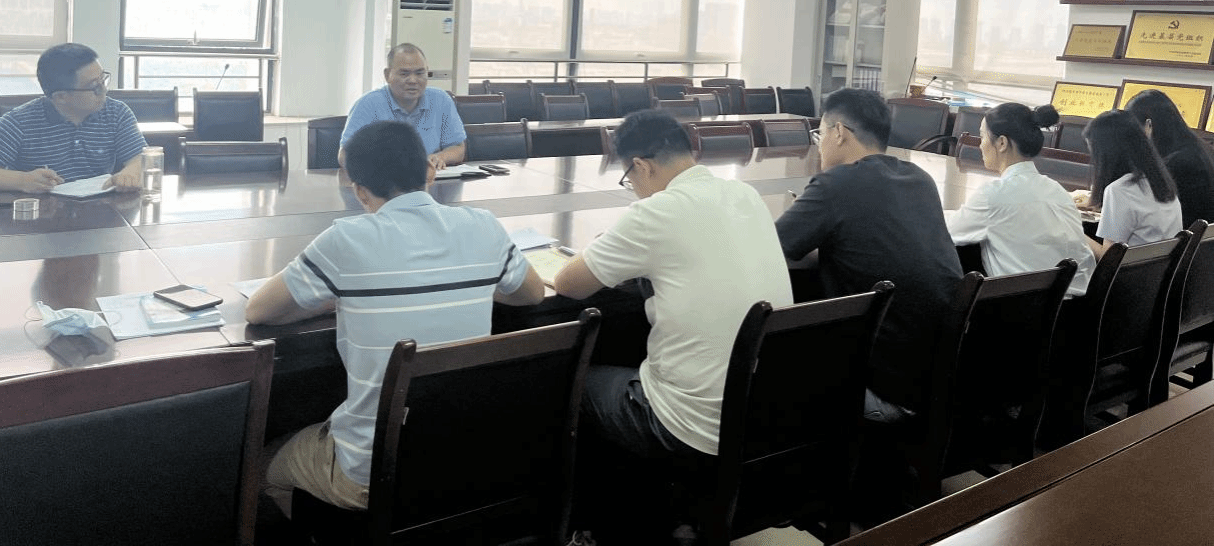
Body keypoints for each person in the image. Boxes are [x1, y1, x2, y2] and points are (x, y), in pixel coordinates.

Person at [247, 120, 544, 513]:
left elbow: (259, 310)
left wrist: (336, 298)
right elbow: (532, 294)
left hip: (372, 475)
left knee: (261, 467)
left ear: (359, 191)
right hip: (468, 457)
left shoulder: (346, 239)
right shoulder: (484, 226)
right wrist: (469, 279)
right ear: (430, 170)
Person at [554, 110, 792, 537]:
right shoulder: (745, 195)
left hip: (689, 425)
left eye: (629, 179)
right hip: (761, 410)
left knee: (574, 384)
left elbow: (568, 284)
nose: (632, 188)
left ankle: (602, 528)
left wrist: (610, 246)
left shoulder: (657, 212)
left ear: (641, 166)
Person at [775, 88, 962, 421]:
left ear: (839, 133)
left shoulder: (835, 185)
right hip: (939, 382)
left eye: (820, 133)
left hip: (880, 387)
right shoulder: (920, 179)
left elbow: (773, 248)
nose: (820, 144)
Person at [945, 103, 1096, 296]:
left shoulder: (993, 195)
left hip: (1017, 308)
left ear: (1002, 143)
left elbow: (947, 234)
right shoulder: (1057, 190)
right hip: (1076, 306)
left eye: (982, 136)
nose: (980, 145)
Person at [0, 43, 145, 192]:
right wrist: (22, 181)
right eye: (94, 86)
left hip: (101, 216)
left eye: (103, 79)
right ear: (61, 97)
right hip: (41, 219)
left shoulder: (116, 112)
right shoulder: (21, 122)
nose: (103, 90)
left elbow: (141, 158)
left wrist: (130, 172)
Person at [339, 43, 466, 172]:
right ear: (387, 75)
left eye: (419, 73)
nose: (413, 80)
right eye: (404, 74)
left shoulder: (441, 100)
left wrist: (440, 157)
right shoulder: (368, 104)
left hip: (430, 179)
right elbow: (345, 155)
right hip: (384, 180)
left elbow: (458, 148)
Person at [1083, 109, 1182, 255]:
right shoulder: (1159, 181)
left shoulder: (1120, 190)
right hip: (1158, 267)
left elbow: (1109, 258)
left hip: (1131, 268)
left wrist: (1076, 231)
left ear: (1107, 154)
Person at [1124, 89, 1214, 230]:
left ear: (1149, 125)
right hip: (1202, 238)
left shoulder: (1175, 163)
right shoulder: (1201, 148)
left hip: (1181, 237)